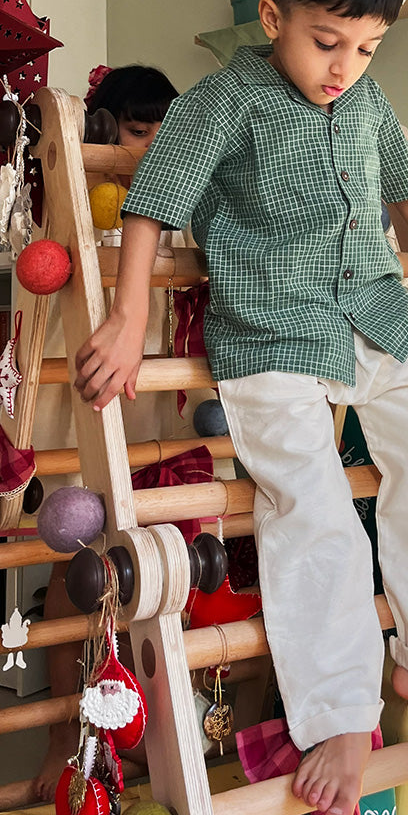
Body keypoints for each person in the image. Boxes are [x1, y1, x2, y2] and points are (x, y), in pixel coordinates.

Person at [73, 0, 408, 815]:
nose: (344, 68)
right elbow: (152, 201)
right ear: (274, 19)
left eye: (365, 49)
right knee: (309, 509)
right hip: (270, 336)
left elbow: (407, 176)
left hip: (376, 315)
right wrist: (124, 320)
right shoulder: (222, 102)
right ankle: (339, 719)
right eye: (327, 44)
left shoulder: (364, 96)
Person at [29, 64, 178, 805]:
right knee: (76, 557)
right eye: (138, 132)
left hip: (149, 376)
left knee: (140, 557)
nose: (149, 149)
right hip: (84, 357)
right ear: (101, 129)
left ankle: (131, 729)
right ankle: (62, 735)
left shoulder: (173, 191)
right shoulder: (78, 186)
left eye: (162, 134)